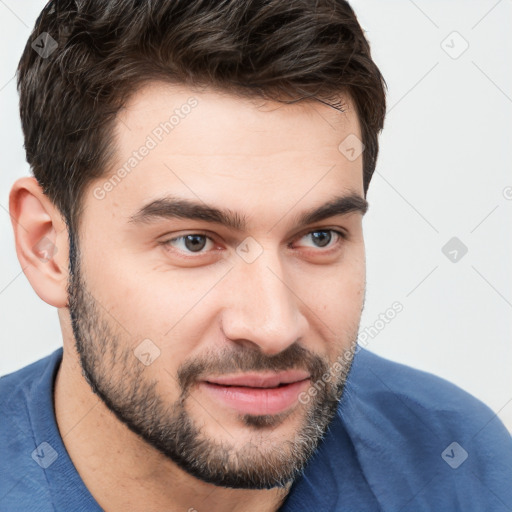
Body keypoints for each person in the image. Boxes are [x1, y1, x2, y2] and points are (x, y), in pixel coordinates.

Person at [1, 0, 511, 510]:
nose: (274, 327)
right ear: (46, 246)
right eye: (193, 242)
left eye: (319, 236)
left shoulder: (460, 465)